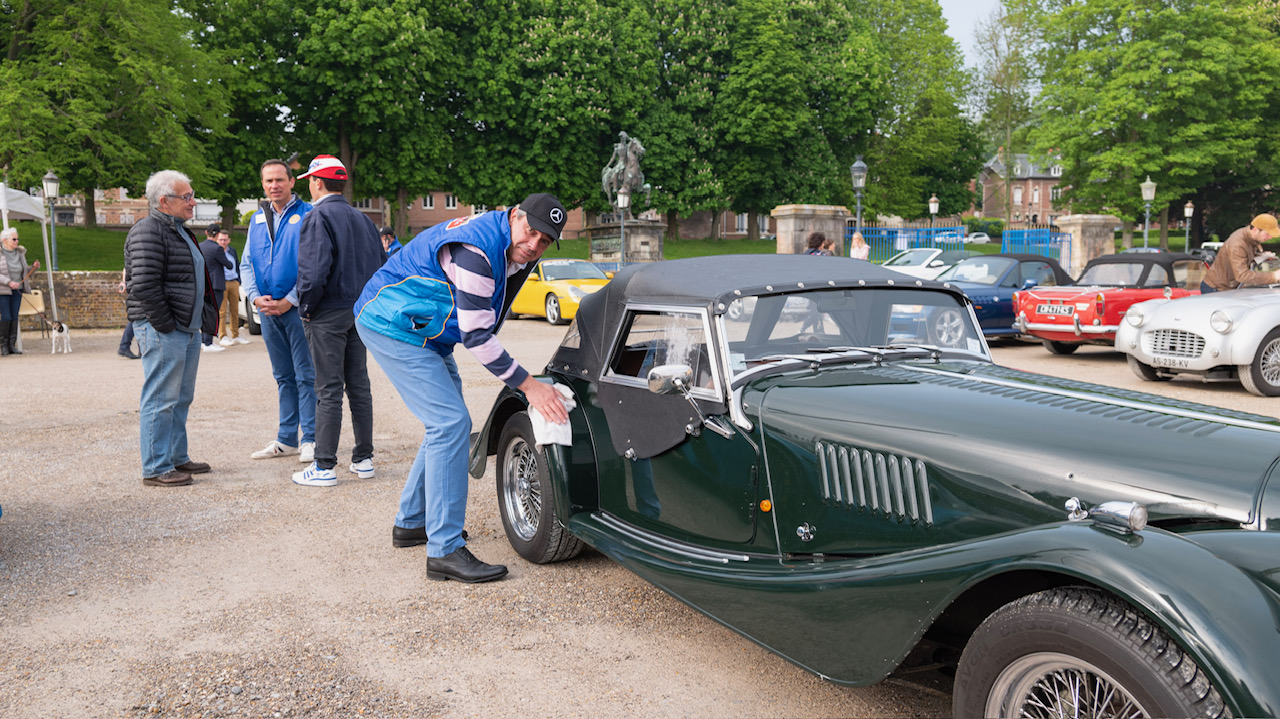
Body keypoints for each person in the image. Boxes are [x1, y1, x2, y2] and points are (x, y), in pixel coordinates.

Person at [355, 193, 570, 583]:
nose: (535, 245)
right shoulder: (477, 252)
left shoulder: (511, 244)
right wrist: (530, 387)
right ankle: (444, 550)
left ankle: (413, 522)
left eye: (545, 240)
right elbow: (476, 337)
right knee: (450, 423)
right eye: (531, 232)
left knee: (445, 423)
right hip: (393, 323)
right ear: (515, 215)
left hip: (425, 328)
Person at [292, 155, 385, 487]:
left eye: (309, 181)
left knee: (328, 387)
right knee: (359, 385)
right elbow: (382, 266)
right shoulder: (363, 220)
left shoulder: (318, 216)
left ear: (317, 182)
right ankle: (363, 458)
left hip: (328, 310)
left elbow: (314, 271)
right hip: (359, 309)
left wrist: (306, 306)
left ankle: (324, 465)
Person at [124, 170, 219, 487]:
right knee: (161, 398)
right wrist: (164, 325)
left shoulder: (180, 230)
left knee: (181, 397)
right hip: (165, 328)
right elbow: (144, 285)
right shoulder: (148, 231)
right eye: (187, 197)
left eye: (192, 195)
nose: (193, 202)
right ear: (164, 201)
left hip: (185, 328)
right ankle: (155, 466)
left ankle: (177, 456)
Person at [241, 159, 317, 464]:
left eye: (279, 180)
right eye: (268, 181)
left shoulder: (309, 214)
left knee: (306, 375)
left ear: (292, 182)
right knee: (283, 376)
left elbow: (315, 264)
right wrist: (255, 297)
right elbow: (247, 263)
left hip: (297, 309)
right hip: (267, 311)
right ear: (262, 184)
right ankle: (287, 439)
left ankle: (310, 438)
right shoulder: (257, 218)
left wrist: (291, 299)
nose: (274, 186)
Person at [1201, 214, 1280, 293]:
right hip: (1215, 289)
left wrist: (1261, 256)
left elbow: (1243, 256)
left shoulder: (1249, 238)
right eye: (1267, 234)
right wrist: (1273, 276)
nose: (1270, 237)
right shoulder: (1237, 244)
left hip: (1225, 287)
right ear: (1255, 229)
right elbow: (1242, 275)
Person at [0, 227, 37, 356]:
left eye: (17, 239)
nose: (17, 241)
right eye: (14, 239)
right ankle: (3, 346)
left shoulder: (20, 253)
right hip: (3, 290)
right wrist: (9, 282)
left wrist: (33, 267)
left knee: (15, 316)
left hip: (18, 290)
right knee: (6, 316)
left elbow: (24, 271)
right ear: (4, 240)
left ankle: (11, 345)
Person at [198, 226, 234, 353]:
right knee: (213, 313)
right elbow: (229, 265)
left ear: (206, 232)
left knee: (204, 313)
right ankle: (208, 342)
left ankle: (203, 340)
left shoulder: (200, 246)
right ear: (218, 234)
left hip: (203, 284)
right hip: (216, 285)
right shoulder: (217, 248)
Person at [215, 229, 248, 346]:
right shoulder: (216, 251)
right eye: (221, 240)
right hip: (222, 283)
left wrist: (238, 280)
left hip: (234, 282)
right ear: (217, 240)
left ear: (229, 240)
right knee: (222, 311)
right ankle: (223, 335)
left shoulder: (232, 251)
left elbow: (237, 265)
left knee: (235, 310)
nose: (223, 242)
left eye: (225, 240)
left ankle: (236, 335)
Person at [117, 269, 139, 359]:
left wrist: (124, 282)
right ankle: (124, 346)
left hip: (136, 285)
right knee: (137, 318)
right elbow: (126, 268)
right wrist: (124, 282)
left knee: (138, 317)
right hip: (138, 287)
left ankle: (125, 346)